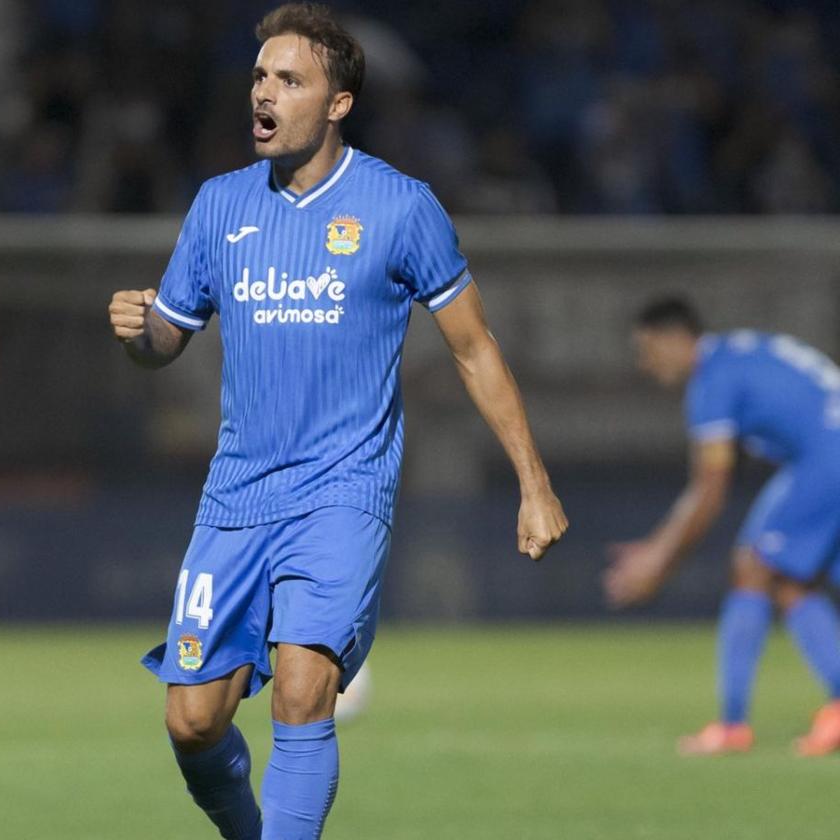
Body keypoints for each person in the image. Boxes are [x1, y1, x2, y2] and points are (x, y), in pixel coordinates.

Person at [107, 5, 567, 836]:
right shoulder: (218, 207)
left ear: (338, 102)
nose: (265, 94)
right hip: (236, 497)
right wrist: (141, 332)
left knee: (301, 688)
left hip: (343, 494)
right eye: (258, 77)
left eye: (290, 80)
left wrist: (534, 484)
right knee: (192, 721)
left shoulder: (400, 207)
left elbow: (474, 350)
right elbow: (166, 340)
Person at [605, 296, 840, 757]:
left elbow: (709, 491)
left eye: (647, 349)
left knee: (753, 565)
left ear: (675, 340)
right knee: (792, 582)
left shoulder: (712, 381)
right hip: (826, 453)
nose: (646, 365)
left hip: (827, 459)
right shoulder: (740, 352)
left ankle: (732, 725)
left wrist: (660, 560)